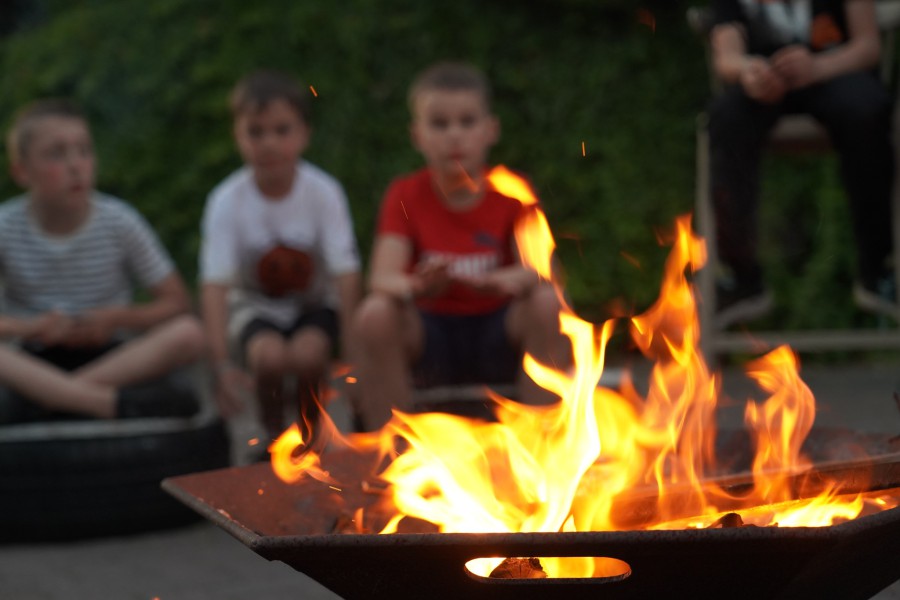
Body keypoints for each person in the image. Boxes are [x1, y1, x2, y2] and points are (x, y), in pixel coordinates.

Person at [351, 61, 571, 432]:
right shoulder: (405, 193)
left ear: (490, 130)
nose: (454, 135)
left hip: (497, 330)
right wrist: (418, 285)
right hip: (431, 334)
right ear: (417, 135)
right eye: (439, 124)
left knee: (547, 303)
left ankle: (543, 448)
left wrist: (500, 280)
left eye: (467, 122)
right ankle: (386, 458)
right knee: (375, 315)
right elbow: (382, 278)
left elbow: (545, 272)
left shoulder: (513, 191)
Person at [0, 99, 205, 423]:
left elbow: (177, 302)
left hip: (112, 358)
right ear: (22, 171)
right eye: (56, 154)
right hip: (33, 359)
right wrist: (31, 327)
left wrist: (113, 319)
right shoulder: (5, 226)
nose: (76, 165)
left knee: (190, 333)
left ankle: (51, 402)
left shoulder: (120, 221)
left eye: (84, 151)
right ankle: (103, 404)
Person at [707, 0, 895, 328]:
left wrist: (818, 67)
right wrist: (749, 72)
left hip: (835, 72)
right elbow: (727, 57)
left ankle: (877, 270)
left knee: (869, 111)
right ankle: (741, 277)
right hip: (764, 85)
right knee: (727, 120)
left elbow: (867, 46)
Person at [199, 70, 362, 445]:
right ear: (237, 136)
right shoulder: (226, 200)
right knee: (268, 358)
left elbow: (347, 274)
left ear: (304, 134)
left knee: (308, 356)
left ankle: (310, 437)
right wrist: (220, 364)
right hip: (255, 308)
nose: (269, 143)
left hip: (314, 305)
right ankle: (272, 440)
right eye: (256, 132)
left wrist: (354, 355)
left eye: (281, 130)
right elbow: (215, 285)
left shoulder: (323, 192)